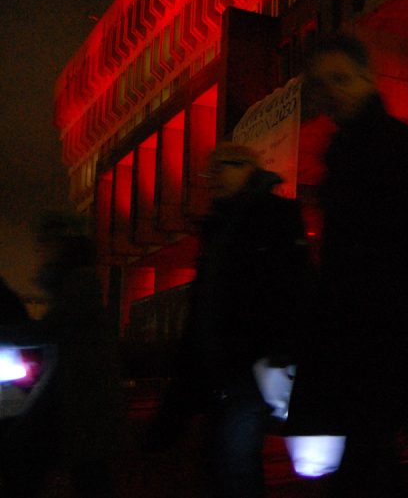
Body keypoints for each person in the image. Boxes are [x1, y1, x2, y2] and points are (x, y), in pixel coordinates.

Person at [287, 34, 408, 496]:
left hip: (383, 335)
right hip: (365, 338)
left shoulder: (402, 149)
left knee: (365, 463)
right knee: (370, 461)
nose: (332, 93)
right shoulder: (344, 156)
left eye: (340, 79)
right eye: (322, 85)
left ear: (367, 78)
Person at [150, 142, 308, 498]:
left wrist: (282, 349)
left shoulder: (271, 216)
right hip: (222, 361)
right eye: (213, 168)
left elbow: (292, 286)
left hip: (249, 363)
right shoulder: (219, 226)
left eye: (227, 165)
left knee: (234, 463)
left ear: (249, 168)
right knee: (221, 463)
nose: (217, 175)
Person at [0, 212, 123, 497]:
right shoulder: (78, 284)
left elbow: (48, 332)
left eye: (45, 242)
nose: (40, 250)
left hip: (83, 407)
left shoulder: (76, 286)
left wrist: (10, 334)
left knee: (89, 478)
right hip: (86, 407)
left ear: (62, 245)